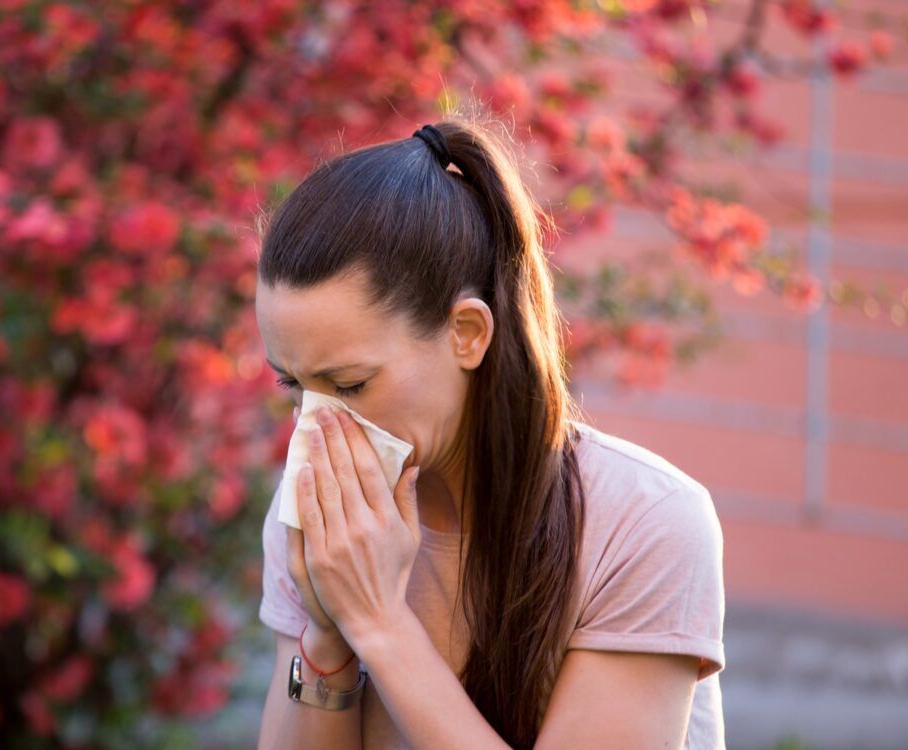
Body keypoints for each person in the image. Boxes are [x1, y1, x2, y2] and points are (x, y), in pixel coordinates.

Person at [252, 115, 726, 750]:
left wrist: (378, 621)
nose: (318, 426)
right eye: (294, 386)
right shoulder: (327, 515)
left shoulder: (644, 523)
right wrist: (327, 636)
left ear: (467, 334)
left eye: (351, 384)